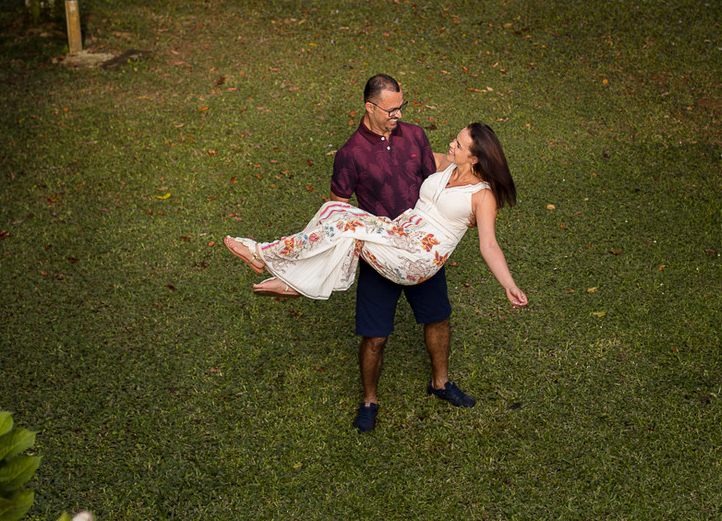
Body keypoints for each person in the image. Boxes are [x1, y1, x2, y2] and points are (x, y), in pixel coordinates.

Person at [224, 78, 527, 433]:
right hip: (393, 235)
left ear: (474, 156)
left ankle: (274, 264)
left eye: (458, 143)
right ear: (370, 107)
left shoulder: (462, 178)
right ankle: (368, 398)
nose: (450, 143)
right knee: (335, 218)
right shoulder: (384, 157)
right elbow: (380, 181)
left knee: (433, 314)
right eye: (391, 109)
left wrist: (507, 283)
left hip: (417, 257)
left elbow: (488, 243)